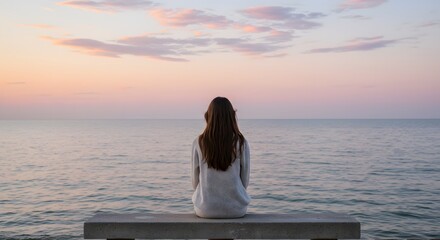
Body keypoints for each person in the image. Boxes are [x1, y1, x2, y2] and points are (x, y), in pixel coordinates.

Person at [191, 97, 251, 218]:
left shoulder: (199, 142)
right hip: (236, 209)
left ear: (208, 116)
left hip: (205, 209)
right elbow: (244, 181)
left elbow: (195, 182)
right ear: (232, 116)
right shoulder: (241, 142)